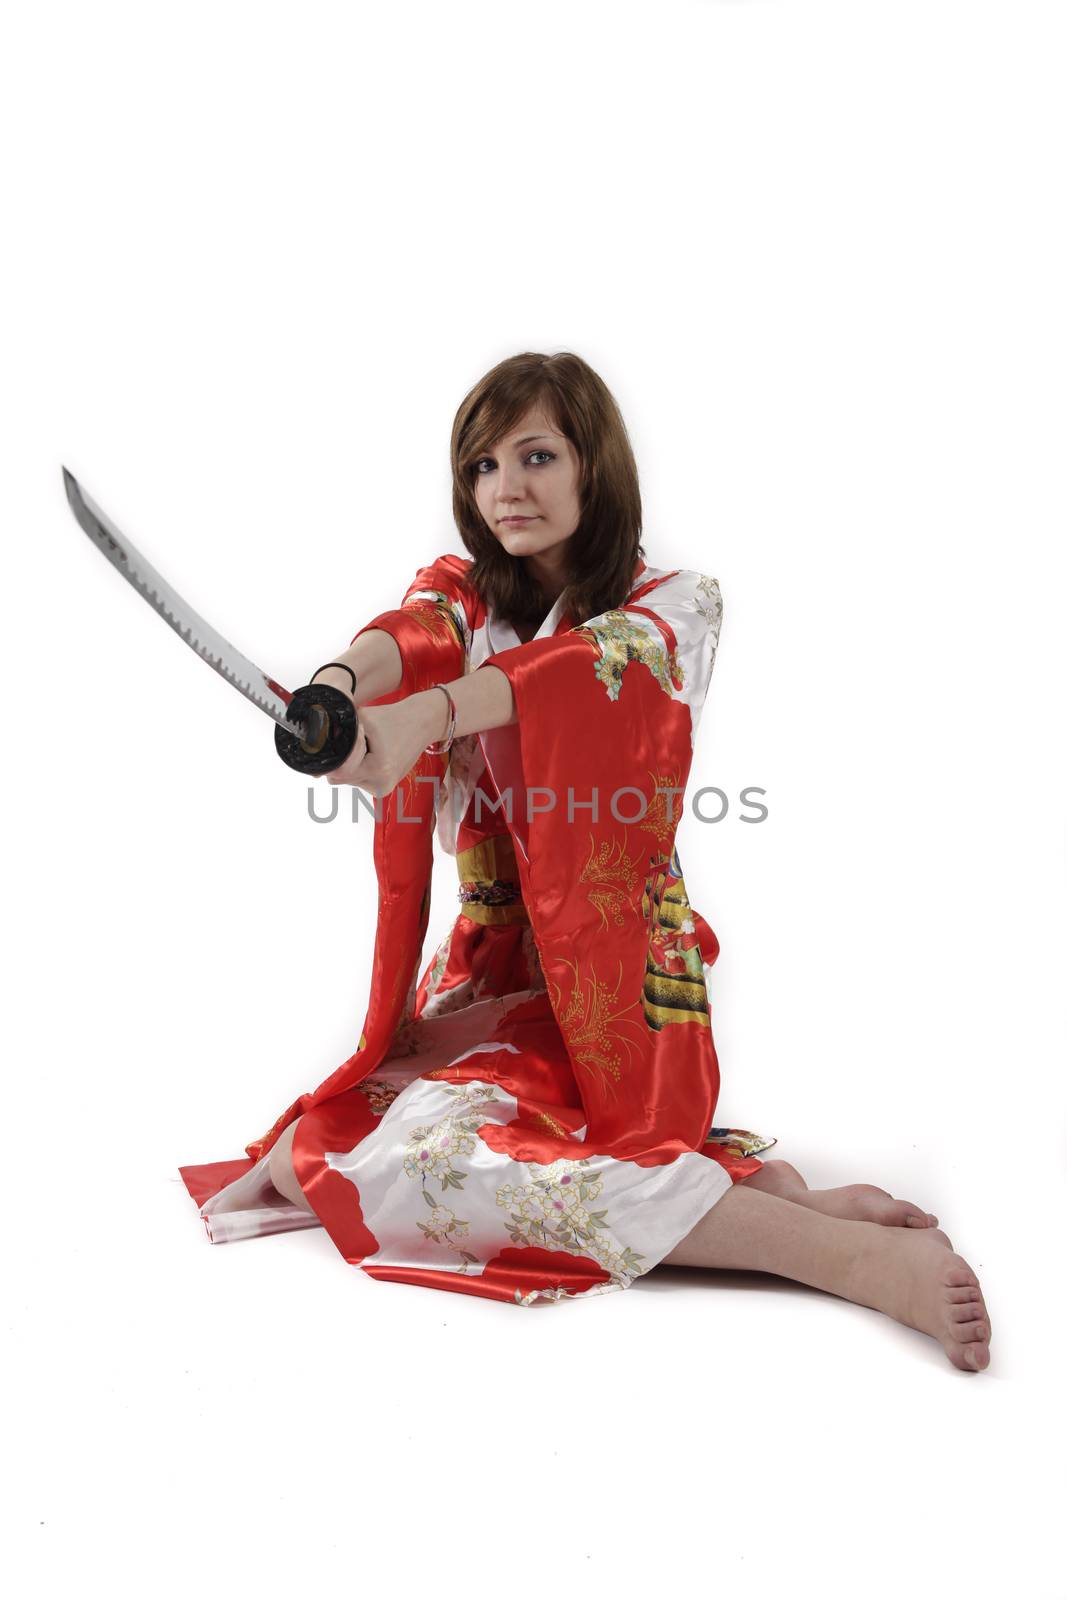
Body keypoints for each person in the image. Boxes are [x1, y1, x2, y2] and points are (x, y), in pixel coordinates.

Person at [180, 351, 991, 1371]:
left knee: (419, 1166)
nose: (504, 487)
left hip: (623, 1000)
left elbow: (572, 671)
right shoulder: (467, 594)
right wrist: (338, 693)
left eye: (535, 456)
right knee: (311, 1158)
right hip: (498, 983)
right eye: (480, 466)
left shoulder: (675, 607)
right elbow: (410, 632)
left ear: (592, 468)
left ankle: (828, 1256)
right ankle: (734, 1201)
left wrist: (423, 717)